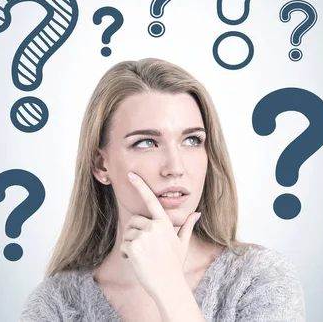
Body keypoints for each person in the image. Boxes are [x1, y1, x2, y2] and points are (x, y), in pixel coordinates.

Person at [20, 57, 305, 321]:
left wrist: (170, 289)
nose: (175, 167)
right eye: (146, 142)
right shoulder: (55, 305)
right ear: (101, 166)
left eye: (192, 140)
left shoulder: (258, 278)